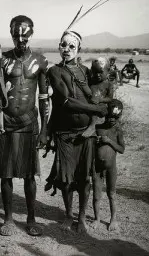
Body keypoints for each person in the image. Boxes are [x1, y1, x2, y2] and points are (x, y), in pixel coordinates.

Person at [0, 15, 49, 236]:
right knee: (6, 174)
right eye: (16, 35)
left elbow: (43, 98)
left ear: (31, 35)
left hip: (29, 123)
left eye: (24, 35)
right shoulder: (1, 60)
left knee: (30, 175)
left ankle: (31, 219)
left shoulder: (40, 61)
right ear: (11, 36)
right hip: (6, 125)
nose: (20, 40)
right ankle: (8, 219)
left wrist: (44, 130)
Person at [46, 29, 108, 233]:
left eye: (71, 46)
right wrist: (95, 109)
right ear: (58, 47)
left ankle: (81, 217)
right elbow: (65, 101)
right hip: (64, 133)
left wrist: (94, 122)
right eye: (63, 45)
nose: (66, 49)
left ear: (79, 48)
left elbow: (97, 96)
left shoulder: (86, 72)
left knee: (84, 178)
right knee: (65, 179)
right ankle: (68, 215)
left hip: (86, 134)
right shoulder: (54, 71)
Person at [91, 99, 125, 231]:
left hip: (111, 167)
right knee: (96, 194)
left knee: (112, 194)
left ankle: (113, 220)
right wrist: (96, 141)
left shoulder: (117, 131)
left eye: (115, 118)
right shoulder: (98, 128)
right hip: (97, 168)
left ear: (119, 117)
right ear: (105, 115)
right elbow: (91, 145)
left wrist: (109, 141)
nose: (112, 120)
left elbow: (122, 149)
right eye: (110, 117)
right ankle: (97, 219)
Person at [82, 57, 114, 138]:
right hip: (90, 104)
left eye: (100, 72)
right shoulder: (91, 82)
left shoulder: (108, 84)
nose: (98, 75)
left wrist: (100, 99)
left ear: (108, 71)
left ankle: (92, 126)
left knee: (97, 111)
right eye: (95, 72)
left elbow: (110, 98)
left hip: (101, 106)